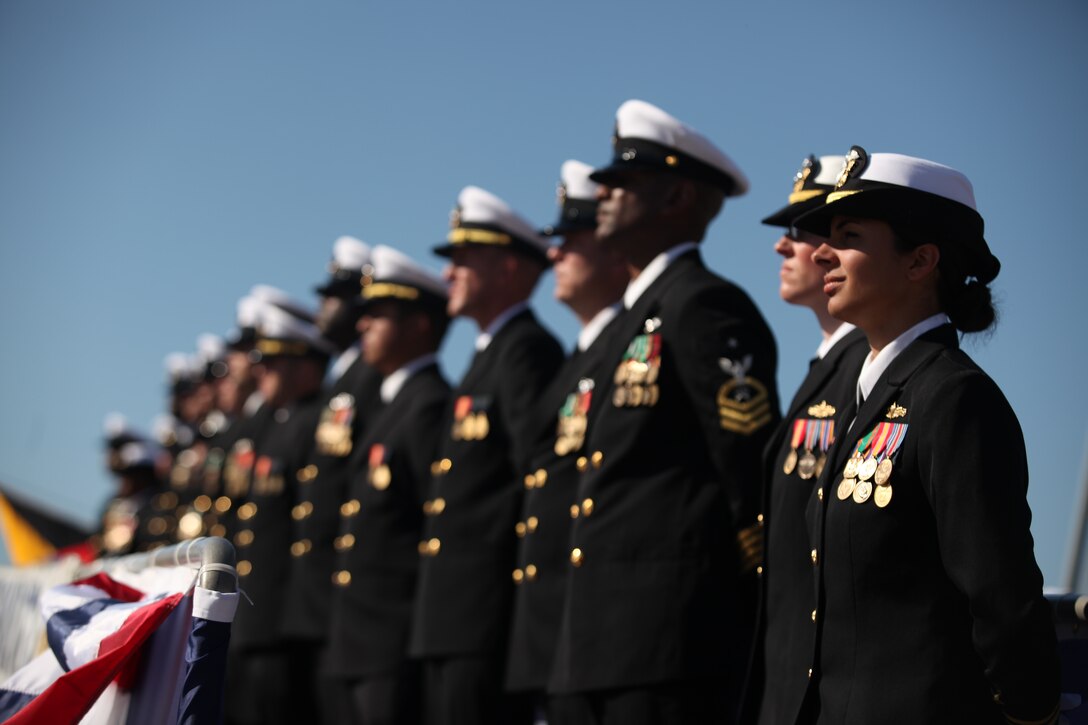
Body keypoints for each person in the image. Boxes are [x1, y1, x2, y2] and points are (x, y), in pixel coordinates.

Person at [784, 146, 1060, 723]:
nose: (824, 253)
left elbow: (1002, 598)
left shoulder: (952, 397)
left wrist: (1030, 716)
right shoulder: (869, 399)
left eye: (850, 234)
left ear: (920, 261)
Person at [547, 99, 780, 725]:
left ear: (677, 198)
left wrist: (753, 591)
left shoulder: (704, 305)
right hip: (597, 640)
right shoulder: (626, 321)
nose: (603, 191)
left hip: (670, 636)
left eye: (624, 183)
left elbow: (748, 464)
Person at [409, 185, 564, 725]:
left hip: (484, 613)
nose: (449, 274)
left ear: (507, 269)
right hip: (450, 615)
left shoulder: (525, 350)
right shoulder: (488, 355)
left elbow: (534, 479)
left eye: (463, 260)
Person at [744, 155, 870, 724]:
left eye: (799, 232)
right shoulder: (827, 366)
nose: (784, 248)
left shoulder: (863, 372)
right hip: (786, 670)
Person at [504, 160, 629, 719]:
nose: (552, 255)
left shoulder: (625, 350)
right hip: (551, 635)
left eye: (570, 242)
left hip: (597, 632)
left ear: (612, 247)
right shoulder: (574, 359)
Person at [324, 244, 452, 725]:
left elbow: (429, 522)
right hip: (357, 638)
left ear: (420, 325)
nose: (362, 325)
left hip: (389, 639)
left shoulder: (429, 404)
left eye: (378, 315)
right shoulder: (392, 404)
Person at [280, 236, 383, 724]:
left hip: (340, 593)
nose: (323, 307)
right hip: (316, 597)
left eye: (334, 297)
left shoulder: (370, 378)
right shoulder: (343, 381)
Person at [225, 297, 336, 725]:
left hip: (280, 622)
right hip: (250, 619)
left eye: (272, 362)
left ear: (305, 366)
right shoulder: (273, 424)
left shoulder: (312, 421)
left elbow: (311, 523)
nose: (260, 371)